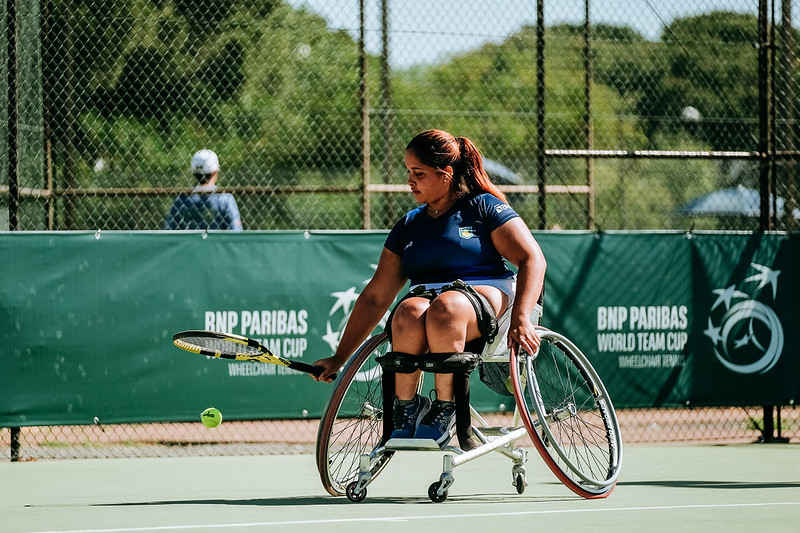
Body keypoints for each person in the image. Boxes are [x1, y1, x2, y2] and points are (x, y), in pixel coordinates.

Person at [313, 129, 546, 449]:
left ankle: (445, 408)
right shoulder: (410, 224)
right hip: (428, 296)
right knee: (406, 312)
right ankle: (407, 409)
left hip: (484, 289)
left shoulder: (483, 207)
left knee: (447, 309)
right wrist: (340, 357)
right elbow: (375, 296)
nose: (410, 181)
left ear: (446, 174)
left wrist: (521, 316)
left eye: (418, 173)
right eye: (408, 172)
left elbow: (532, 258)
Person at [164, 149, 243, 231]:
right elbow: (236, 230)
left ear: (193, 172)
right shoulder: (225, 198)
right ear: (215, 172)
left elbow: (169, 229)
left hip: (188, 243)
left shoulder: (182, 199)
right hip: (218, 243)